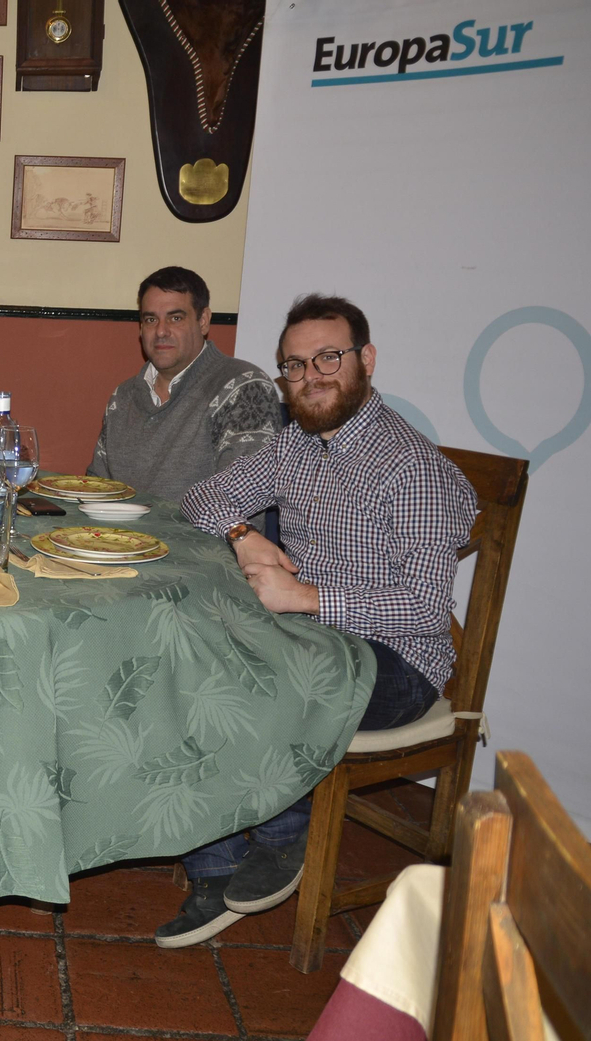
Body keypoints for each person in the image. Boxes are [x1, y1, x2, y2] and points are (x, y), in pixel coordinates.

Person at [162, 293, 477, 949]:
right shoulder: (296, 446)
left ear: (365, 359)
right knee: (186, 651)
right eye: (295, 365)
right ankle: (215, 868)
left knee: (250, 679)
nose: (310, 376)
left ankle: (282, 833)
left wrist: (304, 597)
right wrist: (243, 533)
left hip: (398, 660)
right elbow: (203, 495)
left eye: (328, 358)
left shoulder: (409, 466)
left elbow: (424, 609)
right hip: (309, 639)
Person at [88, 266, 283, 502]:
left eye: (175, 318)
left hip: (206, 539)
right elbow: (96, 488)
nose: (161, 331)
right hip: (119, 537)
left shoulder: (245, 387)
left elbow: (244, 496)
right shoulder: (123, 397)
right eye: (150, 319)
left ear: (203, 321)